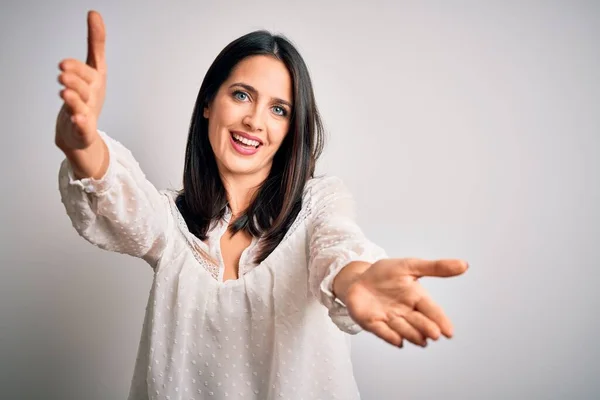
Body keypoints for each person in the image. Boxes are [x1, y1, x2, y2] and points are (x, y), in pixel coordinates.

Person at [56, 10, 468, 400]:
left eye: (278, 109)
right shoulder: (170, 223)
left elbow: (338, 248)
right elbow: (118, 198)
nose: (255, 120)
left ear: (291, 129)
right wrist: (82, 142)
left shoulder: (318, 205)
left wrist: (358, 278)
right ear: (207, 104)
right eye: (241, 95)